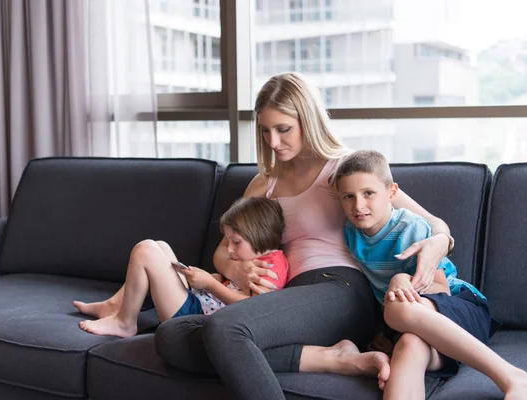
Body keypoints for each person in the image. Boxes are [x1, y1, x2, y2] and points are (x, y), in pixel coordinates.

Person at [154, 71, 455, 400]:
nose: (273, 142)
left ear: (308, 121)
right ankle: (333, 359)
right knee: (171, 336)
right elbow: (223, 250)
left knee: (225, 328)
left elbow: (434, 224)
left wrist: (439, 243)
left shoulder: (343, 170)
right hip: (286, 298)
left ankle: (333, 354)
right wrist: (234, 269)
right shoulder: (262, 184)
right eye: (265, 131)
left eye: (283, 129)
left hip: (341, 291)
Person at [335, 149, 527, 399]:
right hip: (418, 330)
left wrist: (400, 280)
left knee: (396, 307)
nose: (358, 205)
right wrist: (380, 330)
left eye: (368, 193)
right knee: (408, 346)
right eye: (348, 196)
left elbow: (441, 290)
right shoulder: (351, 234)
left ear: (391, 193)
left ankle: (511, 376)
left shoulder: (411, 227)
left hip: (461, 309)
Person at [74, 196, 289, 338]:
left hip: (195, 321)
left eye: (236, 241)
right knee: (161, 247)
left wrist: (211, 286)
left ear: (260, 236)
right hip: (201, 304)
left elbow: (252, 309)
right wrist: (216, 280)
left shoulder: (272, 268)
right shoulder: (256, 256)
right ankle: (113, 307)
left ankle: (124, 322)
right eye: (228, 241)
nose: (229, 250)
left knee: (145, 250)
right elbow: (237, 290)